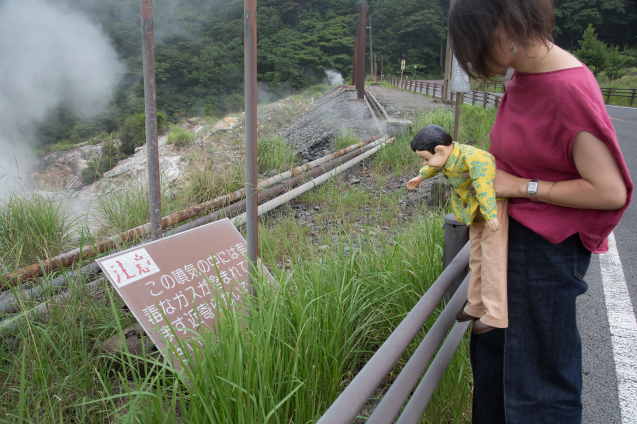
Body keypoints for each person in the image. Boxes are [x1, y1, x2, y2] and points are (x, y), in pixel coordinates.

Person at [447, 0, 633, 423]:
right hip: (512, 244)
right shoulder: (524, 76)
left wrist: (520, 186)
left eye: (475, 45)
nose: (474, 59)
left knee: (538, 387)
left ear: (505, 25)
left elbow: (610, 190)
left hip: (543, 255)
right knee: (497, 367)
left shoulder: (564, 88)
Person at [407, 125, 509, 334]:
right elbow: (435, 166)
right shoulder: (448, 156)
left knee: (493, 259)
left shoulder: (475, 159)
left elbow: (484, 187)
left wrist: (491, 215)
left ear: (441, 151)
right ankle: (476, 305)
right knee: (477, 257)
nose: (425, 163)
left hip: (492, 207)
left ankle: (496, 314)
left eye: (426, 158)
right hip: (474, 209)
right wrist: (420, 177)